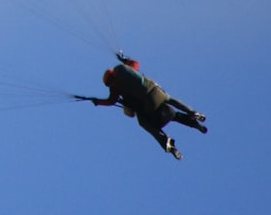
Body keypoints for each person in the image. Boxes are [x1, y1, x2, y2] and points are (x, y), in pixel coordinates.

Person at [77, 52, 207, 160]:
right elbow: (135, 63)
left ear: (110, 82)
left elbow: (111, 101)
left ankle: (165, 141)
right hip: (156, 92)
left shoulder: (115, 88)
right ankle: (193, 114)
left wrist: (97, 101)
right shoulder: (123, 68)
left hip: (148, 103)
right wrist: (125, 60)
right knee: (170, 100)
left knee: (144, 123)